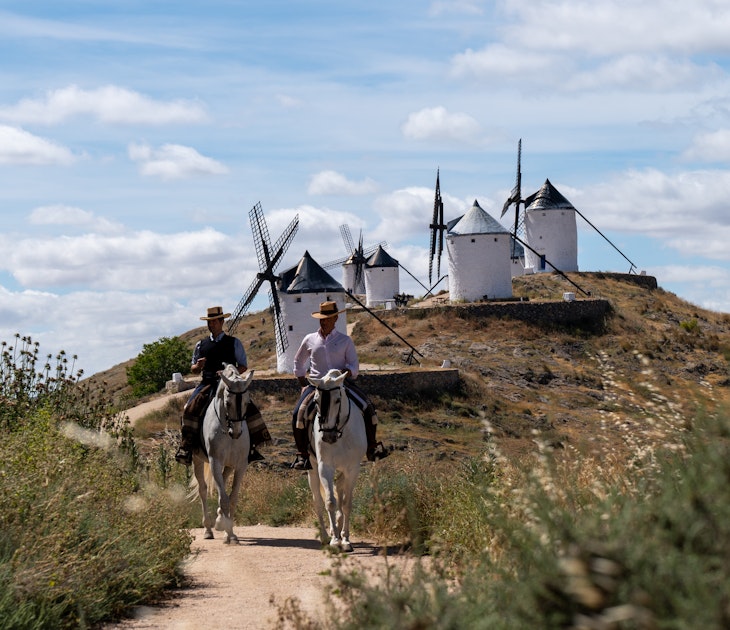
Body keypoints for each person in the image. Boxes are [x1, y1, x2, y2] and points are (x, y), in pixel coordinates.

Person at [290, 300, 389, 470]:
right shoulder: (310, 339)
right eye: (322, 318)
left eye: (327, 317)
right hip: (317, 385)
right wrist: (303, 383)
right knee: (297, 413)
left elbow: (354, 366)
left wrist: (345, 374)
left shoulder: (345, 341)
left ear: (335, 318)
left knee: (368, 407)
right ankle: (302, 455)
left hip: (341, 384)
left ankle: (372, 447)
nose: (324, 321)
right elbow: (298, 362)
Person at [174, 306, 269, 465]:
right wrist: (198, 366)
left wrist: (228, 375)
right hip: (207, 382)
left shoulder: (234, 343)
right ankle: (187, 446)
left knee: (250, 408)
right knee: (188, 408)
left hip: (229, 385)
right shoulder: (201, 344)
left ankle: (252, 447)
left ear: (221, 322)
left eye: (214, 322)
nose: (211, 325)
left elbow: (243, 366)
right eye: (209, 322)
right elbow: (193, 369)